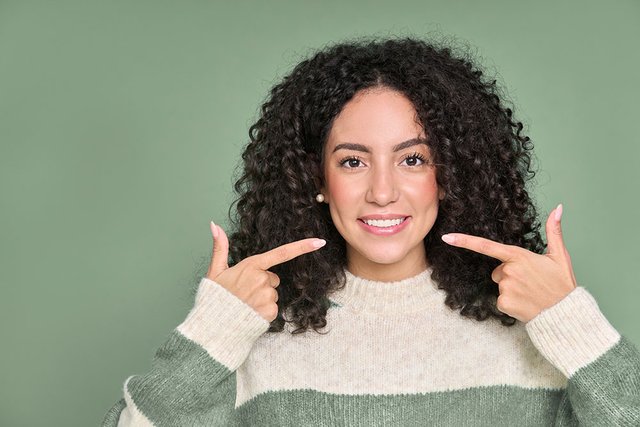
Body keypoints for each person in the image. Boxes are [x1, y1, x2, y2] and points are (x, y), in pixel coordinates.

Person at [102, 36, 640, 426]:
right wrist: (212, 333)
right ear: (317, 179)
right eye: (353, 162)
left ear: (449, 176)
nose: (383, 191)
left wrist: (572, 323)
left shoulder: (536, 333)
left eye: (413, 159)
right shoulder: (249, 339)